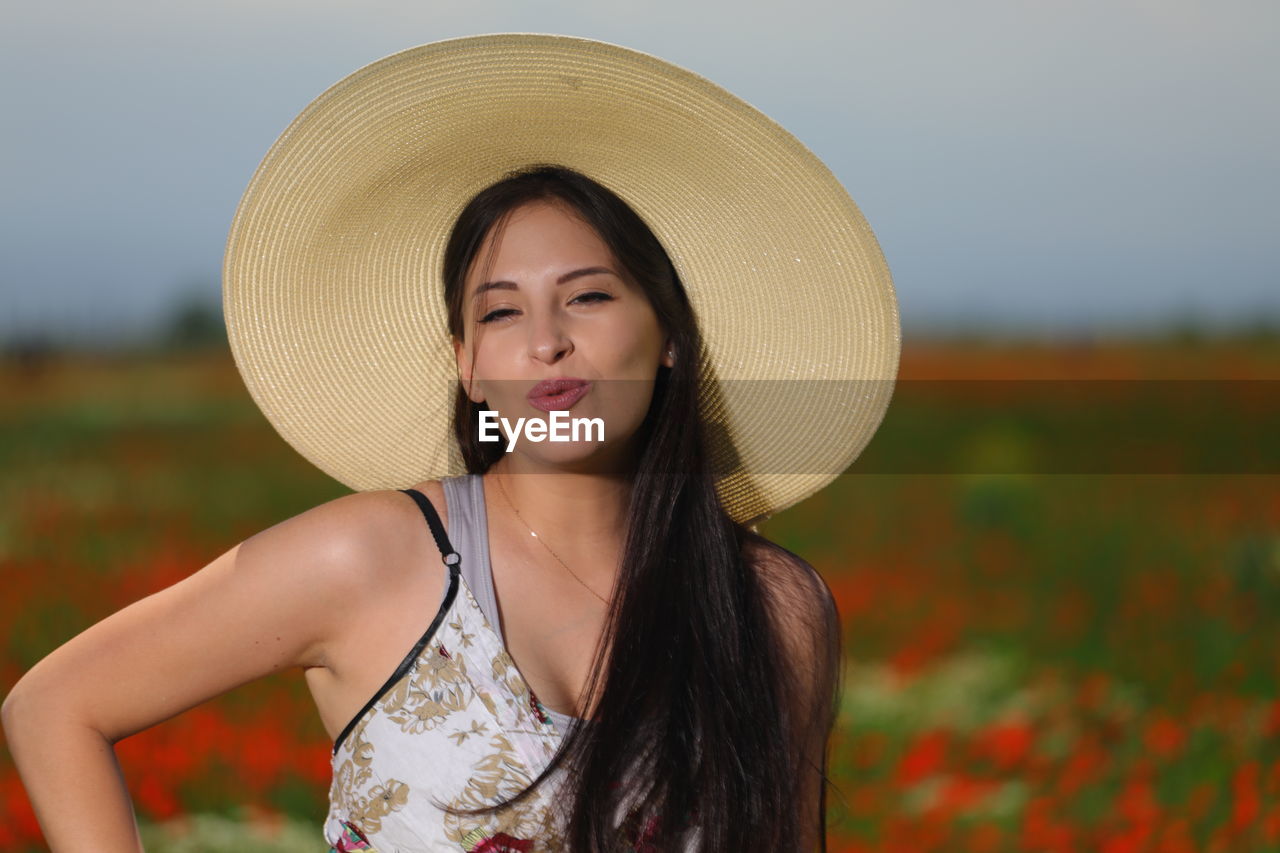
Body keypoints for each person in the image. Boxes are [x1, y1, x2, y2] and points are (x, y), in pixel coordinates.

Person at [2, 35, 900, 853]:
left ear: (668, 336)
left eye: (588, 296)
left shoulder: (774, 608)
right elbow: (54, 706)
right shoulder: (375, 556)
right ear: (468, 365)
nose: (546, 340)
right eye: (501, 312)